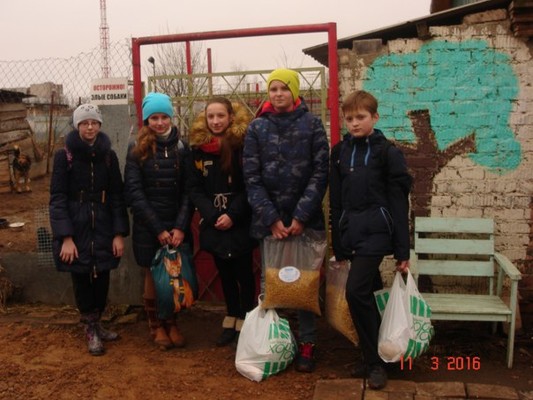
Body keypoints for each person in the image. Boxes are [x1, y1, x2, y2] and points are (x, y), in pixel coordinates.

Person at [243, 68, 329, 372]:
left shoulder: (312, 124)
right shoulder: (257, 128)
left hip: (304, 222)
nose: (278, 94)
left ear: (294, 92)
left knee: (303, 282)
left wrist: (300, 216)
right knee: (272, 284)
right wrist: (271, 219)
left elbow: (320, 172)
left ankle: (307, 342)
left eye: (283, 88)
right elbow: (251, 177)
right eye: (273, 89)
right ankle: (274, 341)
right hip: (270, 224)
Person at [329, 90, 412, 390]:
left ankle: (374, 363)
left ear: (375, 117)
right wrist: (338, 241)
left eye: (361, 117)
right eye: (349, 118)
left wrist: (402, 250)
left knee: (355, 292)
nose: (354, 123)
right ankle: (380, 352)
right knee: (371, 292)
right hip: (351, 232)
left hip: (376, 233)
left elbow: (399, 202)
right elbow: (336, 200)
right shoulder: (339, 152)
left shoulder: (387, 153)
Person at [49, 103, 130, 356]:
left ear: (100, 125)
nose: (90, 127)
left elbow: (117, 196)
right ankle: (90, 326)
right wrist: (66, 237)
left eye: (94, 122)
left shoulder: (109, 156)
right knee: (81, 275)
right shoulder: (64, 156)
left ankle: (98, 321)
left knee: (103, 273)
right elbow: (58, 197)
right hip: (77, 225)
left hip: (104, 224)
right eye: (84, 123)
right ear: (77, 126)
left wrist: (118, 233)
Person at [124, 92, 193, 350]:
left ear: (171, 118)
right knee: (152, 277)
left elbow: (189, 190)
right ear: (146, 120)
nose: (160, 122)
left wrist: (180, 227)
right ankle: (156, 325)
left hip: (176, 225)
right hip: (148, 226)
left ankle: (172, 322)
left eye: (164, 117)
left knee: (175, 276)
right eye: (154, 118)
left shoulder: (182, 148)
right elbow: (134, 192)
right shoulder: (136, 149)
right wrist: (158, 229)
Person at [188, 97, 257, 346]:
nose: (216, 121)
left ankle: (247, 320)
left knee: (244, 273)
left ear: (231, 117)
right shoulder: (198, 150)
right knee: (225, 273)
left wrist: (232, 214)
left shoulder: (243, 146)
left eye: (220, 116)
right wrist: (212, 215)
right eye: (211, 116)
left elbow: (251, 184)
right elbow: (194, 188)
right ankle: (231, 316)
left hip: (240, 220)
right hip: (214, 221)